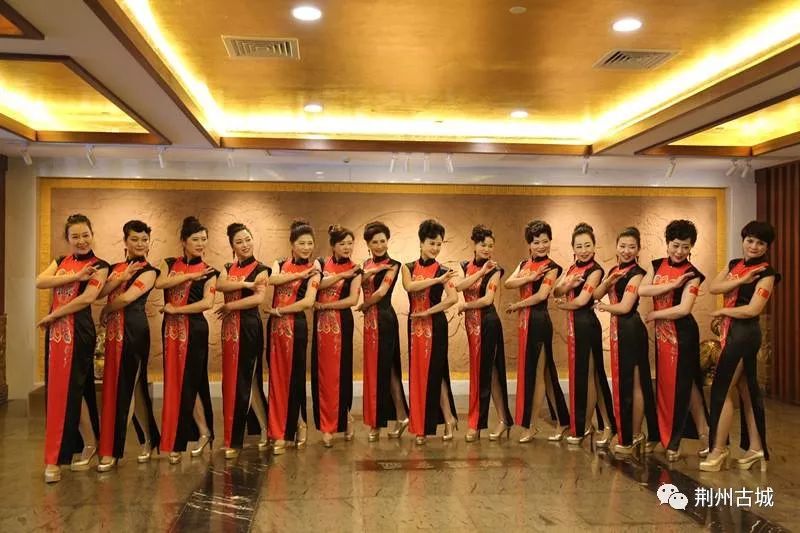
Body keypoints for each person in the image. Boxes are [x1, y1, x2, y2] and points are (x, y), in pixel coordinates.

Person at [701, 221, 780, 472]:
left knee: (721, 390)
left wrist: (724, 311)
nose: (754, 246)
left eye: (760, 243)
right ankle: (756, 448)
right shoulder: (734, 265)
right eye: (750, 240)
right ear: (743, 240)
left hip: (744, 334)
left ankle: (718, 450)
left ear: (767, 247)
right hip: (731, 332)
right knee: (746, 390)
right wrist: (742, 279)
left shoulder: (767, 274)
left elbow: (753, 309)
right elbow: (714, 287)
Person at [36, 214, 110, 482]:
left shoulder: (100, 266)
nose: (81, 240)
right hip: (56, 333)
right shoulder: (60, 261)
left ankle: (56, 458)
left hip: (78, 331)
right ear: (67, 239)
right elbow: (39, 281)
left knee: (70, 391)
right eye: (75, 236)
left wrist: (54, 315)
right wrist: (76, 276)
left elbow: (88, 298)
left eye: (85, 235)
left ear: (93, 235)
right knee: (62, 391)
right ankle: (89, 443)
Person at [640, 219, 709, 462]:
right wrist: (672, 284)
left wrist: (656, 314)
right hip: (663, 336)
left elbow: (683, 309)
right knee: (668, 385)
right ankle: (698, 434)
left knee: (682, 386)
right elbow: (641, 290)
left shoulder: (693, 274)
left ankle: (675, 441)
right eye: (675, 245)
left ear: (691, 247)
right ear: (668, 243)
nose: (679, 251)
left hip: (683, 335)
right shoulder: (656, 265)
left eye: (685, 247)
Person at [96, 220, 161, 471]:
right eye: (135, 239)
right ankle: (150, 440)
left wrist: (106, 310)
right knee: (133, 389)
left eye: (144, 239)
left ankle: (112, 450)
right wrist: (118, 279)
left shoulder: (150, 271)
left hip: (134, 333)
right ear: (125, 241)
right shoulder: (115, 268)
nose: (140, 244)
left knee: (125, 389)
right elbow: (100, 292)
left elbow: (126, 298)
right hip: (114, 334)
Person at [155, 216, 219, 464]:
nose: (201, 243)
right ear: (183, 241)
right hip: (171, 331)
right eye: (195, 239)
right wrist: (187, 276)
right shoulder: (169, 264)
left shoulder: (209, 271)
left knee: (190, 383)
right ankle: (204, 431)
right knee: (175, 383)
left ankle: (177, 444)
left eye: (204, 239)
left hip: (194, 331)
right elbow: (160, 283)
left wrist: (177, 310)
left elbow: (207, 303)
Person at [594, 227, 659, 454]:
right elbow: (595, 293)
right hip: (618, 330)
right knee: (623, 383)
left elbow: (625, 307)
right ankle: (630, 434)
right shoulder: (615, 270)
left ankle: (635, 434)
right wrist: (608, 282)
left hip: (631, 330)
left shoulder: (638, 273)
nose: (626, 250)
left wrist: (603, 306)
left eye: (632, 247)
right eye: (622, 246)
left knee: (635, 382)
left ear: (638, 250)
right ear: (616, 247)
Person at [505, 220, 570, 443]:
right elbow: (508, 283)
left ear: (550, 241)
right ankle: (563, 420)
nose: (541, 246)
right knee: (547, 375)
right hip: (525, 323)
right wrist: (530, 278)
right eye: (536, 242)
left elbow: (542, 296)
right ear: (529, 245)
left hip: (539, 322)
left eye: (545, 241)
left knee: (536, 375)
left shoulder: (552, 267)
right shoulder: (524, 264)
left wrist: (517, 305)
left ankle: (530, 425)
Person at [554, 222, 616, 446]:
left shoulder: (595, 270)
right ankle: (598, 425)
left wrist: (563, 304)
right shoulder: (572, 269)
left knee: (590, 377)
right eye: (579, 246)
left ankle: (586, 426)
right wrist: (567, 285)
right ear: (573, 248)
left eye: (587, 245)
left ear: (594, 246)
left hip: (586, 326)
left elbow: (582, 301)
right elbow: (556, 291)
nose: (583, 250)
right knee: (588, 377)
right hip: (574, 327)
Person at [215, 223, 270, 459]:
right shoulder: (228, 268)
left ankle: (235, 441)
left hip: (248, 328)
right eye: (239, 241)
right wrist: (244, 284)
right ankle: (266, 428)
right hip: (229, 330)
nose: (245, 244)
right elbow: (219, 285)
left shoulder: (262, 269)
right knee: (236, 382)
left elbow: (258, 299)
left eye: (248, 239)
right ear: (232, 246)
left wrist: (231, 306)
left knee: (244, 381)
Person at [401, 219, 459, 445]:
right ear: (421, 243)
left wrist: (428, 312)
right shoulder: (408, 268)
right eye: (431, 243)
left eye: (438, 244)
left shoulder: (445, 270)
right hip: (415, 328)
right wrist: (436, 280)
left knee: (436, 373)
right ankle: (433, 422)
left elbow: (452, 299)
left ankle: (436, 424)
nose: (435, 248)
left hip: (435, 325)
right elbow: (409, 287)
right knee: (418, 375)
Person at [266, 219, 321, 455]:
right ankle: (281, 427)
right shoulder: (279, 264)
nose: (307, 248)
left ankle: (293, 428)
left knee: (295, 379)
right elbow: (272, 279)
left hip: (295, 327)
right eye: (302, 243)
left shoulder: (316, 269)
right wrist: (299, 274)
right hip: (274, 329)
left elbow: (308, 302)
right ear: (292, 244)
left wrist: (280, 310)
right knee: (276, 380)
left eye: (310, 243)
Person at [455, 224, 513, 442]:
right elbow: (459, 286)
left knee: (486, 375)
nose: (487, 249)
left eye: (490, 246)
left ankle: (476, 425)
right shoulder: (465, 266)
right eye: (483, 245)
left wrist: (466, 306)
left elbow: (488, 300)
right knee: (486, 374)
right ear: (474, 245)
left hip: (488, 324)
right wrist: (480, 272)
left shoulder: (496, 270)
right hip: (472, 327)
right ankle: (504, 420)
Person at [311, 225, 362, 447]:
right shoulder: (320, 263)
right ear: (333, 245)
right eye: (342, 243)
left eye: (350, 243)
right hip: (321, 326)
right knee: (322, 374)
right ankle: (326, 427)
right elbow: (316, 285)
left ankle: (346, 417)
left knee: (342, 373)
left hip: (342, 323)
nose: (347, 247)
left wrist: (325, 306)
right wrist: (341, 275)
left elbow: (352, 300)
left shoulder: (357, 269)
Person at [358, 221, 409, 441]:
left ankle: (377, 424)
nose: (379, 245)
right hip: (370, 323)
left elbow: (381, 292)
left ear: (388, 241)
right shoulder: (365, 264)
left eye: (382, 241)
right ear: (368, 244)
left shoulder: (394, 265)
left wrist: (363, 305)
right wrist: (371, 271)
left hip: (384, 320)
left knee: (385, 370)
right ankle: (401, 416)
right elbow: (356, 282)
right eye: (375, 242)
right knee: (379, 371)